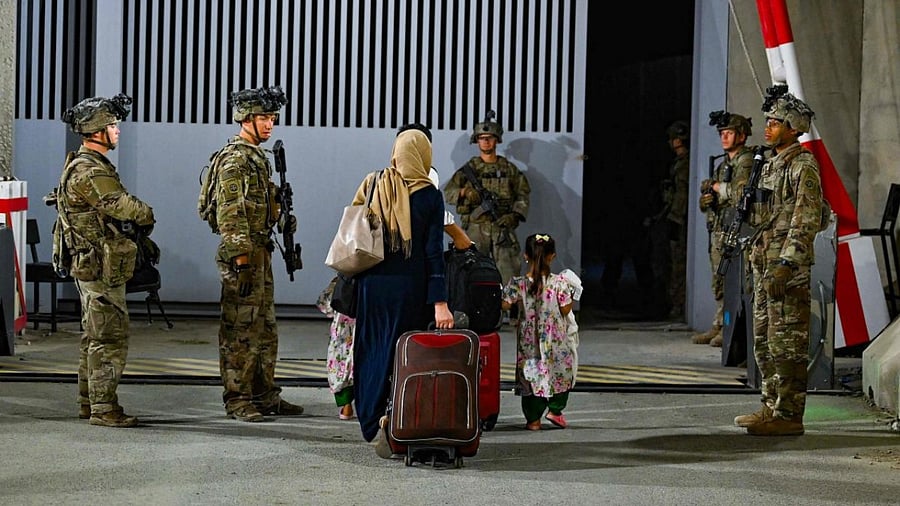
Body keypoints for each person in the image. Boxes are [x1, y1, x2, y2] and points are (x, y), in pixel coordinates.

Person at [348, 127, 454, 453]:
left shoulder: (375, 182)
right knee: (403, 354)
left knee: (370, 347)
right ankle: (396, 418)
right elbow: (434, 253)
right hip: (409, 289)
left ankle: (370, 416)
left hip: (371, 287)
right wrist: (440, 302)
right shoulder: (429, 196)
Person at [201, 86, 304, 422]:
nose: (270, 123)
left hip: (260, 251)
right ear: (245, 118)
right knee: (240, 331)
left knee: (264, 328)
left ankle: (263, 394)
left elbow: (260, 207)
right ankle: (238, 398)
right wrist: (242, 261)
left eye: (272, 117)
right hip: (242, 256)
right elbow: (231, 214)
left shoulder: (257, 158)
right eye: (263, 117)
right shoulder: (236, 160)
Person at [52, 93, 155, 427]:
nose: (118, 130)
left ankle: (90, 402)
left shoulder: (88, 165)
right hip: (99, 266)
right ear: (97, 130)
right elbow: (124, 206)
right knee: (108, 337)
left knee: (93, 336)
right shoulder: (90, 172)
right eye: (112, 124)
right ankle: (103, 408)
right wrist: (146, 212)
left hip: (93, 263)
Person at [734, 85, 824, 436]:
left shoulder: (803, 167)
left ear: (792, 127)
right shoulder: (770, 165)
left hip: (786, 272)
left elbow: (806, 220)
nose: (768, 127)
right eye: (768, 121)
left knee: (787, 342)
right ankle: (770, 405)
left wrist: (787, 264)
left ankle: (789, 414)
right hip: (764, 267)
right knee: (764, 342)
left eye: (775, 122)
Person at [444, 110, 531, 285]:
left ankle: (507, 310)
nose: (485, 141)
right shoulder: (468, 170)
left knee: (509, 274)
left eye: (489, 137)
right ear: (476, 140)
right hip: (476, 227)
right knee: (471, 271)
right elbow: (449, 193)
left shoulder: (509, 169)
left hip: (501, 227)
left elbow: (523, 193)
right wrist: (465, 192)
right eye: (482, 137)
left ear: (496, 140)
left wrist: (513, 215)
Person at [692, 111, 755, 346]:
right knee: (719, 280)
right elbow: (716, 198)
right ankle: (719, 324)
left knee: (734, 282)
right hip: (721, 229)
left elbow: (741, 195)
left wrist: (717, 187)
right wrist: (706, 200)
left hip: (737, 232)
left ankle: (730, 330)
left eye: (729, 133)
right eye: (722, 133)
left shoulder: (746, 162)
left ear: (741, 136)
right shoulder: (725, 163)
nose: (724, 137)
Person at [501, 233, 575, 431]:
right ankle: (555, 410)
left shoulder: (517, 283)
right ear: (552, 256)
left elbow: (505, 305)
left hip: (529, 343)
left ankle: (533, 420)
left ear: (526, 255)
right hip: (555, 340)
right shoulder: (560, 283)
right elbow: (566, 309)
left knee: (531, 377)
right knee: (559, 374)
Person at [643, 121, 690, 319]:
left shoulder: (684, 164)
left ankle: (676, 306)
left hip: (676, 219)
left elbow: (681, 195)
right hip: (670, 216)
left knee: (675, 264)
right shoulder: (679, 163)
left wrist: (674, 219)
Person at [316, 277, 356, 420]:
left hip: (346, 300)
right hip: (373, 294)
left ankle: (346, 405)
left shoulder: (340, 280)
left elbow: (326, 305)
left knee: (341, 357)